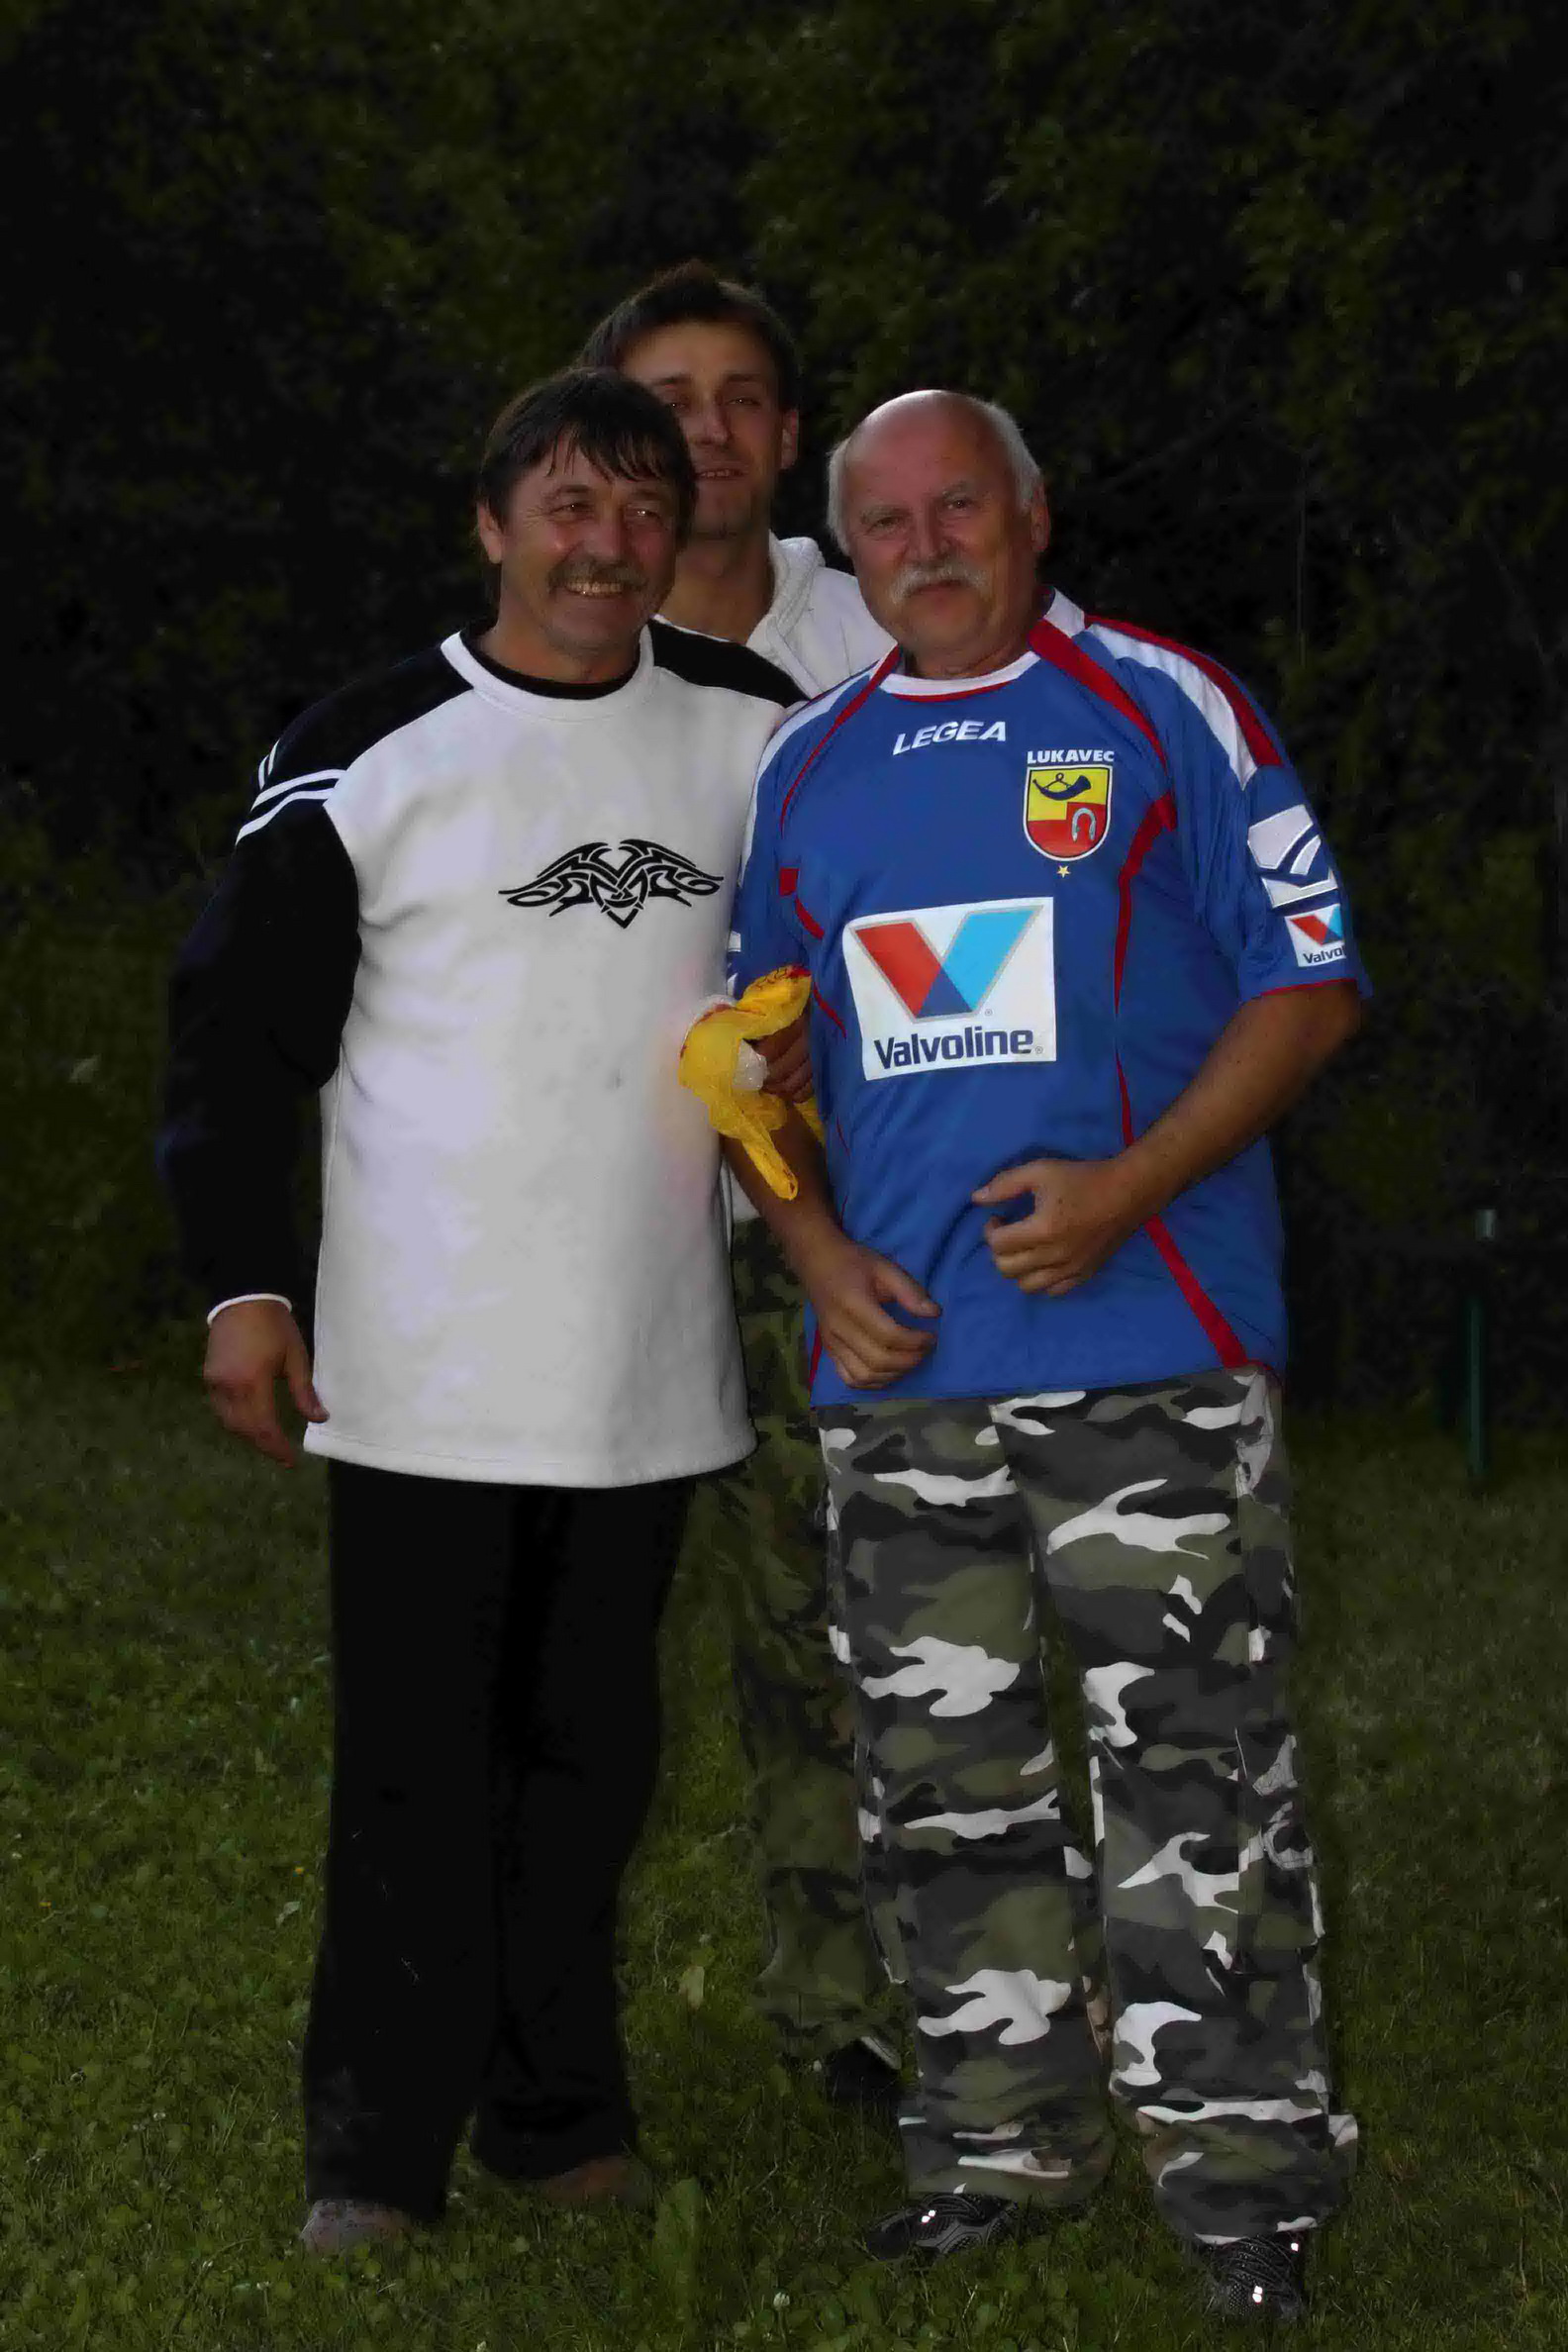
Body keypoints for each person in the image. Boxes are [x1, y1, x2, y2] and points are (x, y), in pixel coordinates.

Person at [721, 388, 1364, 2323]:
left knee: (1195, 1773)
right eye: (886, 521)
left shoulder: (1164, 706)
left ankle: (1244, 2179)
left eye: (958, 508)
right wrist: (815, 1253)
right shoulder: (810, 763)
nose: (924, 547)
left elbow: (1309, 983)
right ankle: (997, 2147)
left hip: (1148, 1342)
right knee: (940, 1783)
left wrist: (1127, 1189)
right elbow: (749, 1061)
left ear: (1032, 512)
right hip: (899, 1372)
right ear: (852, 550)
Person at [156, 368, 799, 2255]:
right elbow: (234, 1042)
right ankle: (372, 2159)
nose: (609, 545)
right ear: (493, 523)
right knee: (415, 1777)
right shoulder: (367, 752)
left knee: (593, 1773)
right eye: (569, 506)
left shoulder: (760, 730)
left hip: (649, 1367)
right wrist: (245, 1285)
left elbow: (840, 959)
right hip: (424, 1369)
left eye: (644, 508)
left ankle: (558, 2121)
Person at [580, 264, 910, 2107]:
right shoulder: (558, 640)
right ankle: (531, 2030)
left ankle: (854, 2009)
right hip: (600, 1228)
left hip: (840, 1217)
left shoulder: (885, 629)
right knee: (573, 1653)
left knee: (845, 1624)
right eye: (663, 398)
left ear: (789, 435)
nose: (701, 431)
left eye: (738, 396)